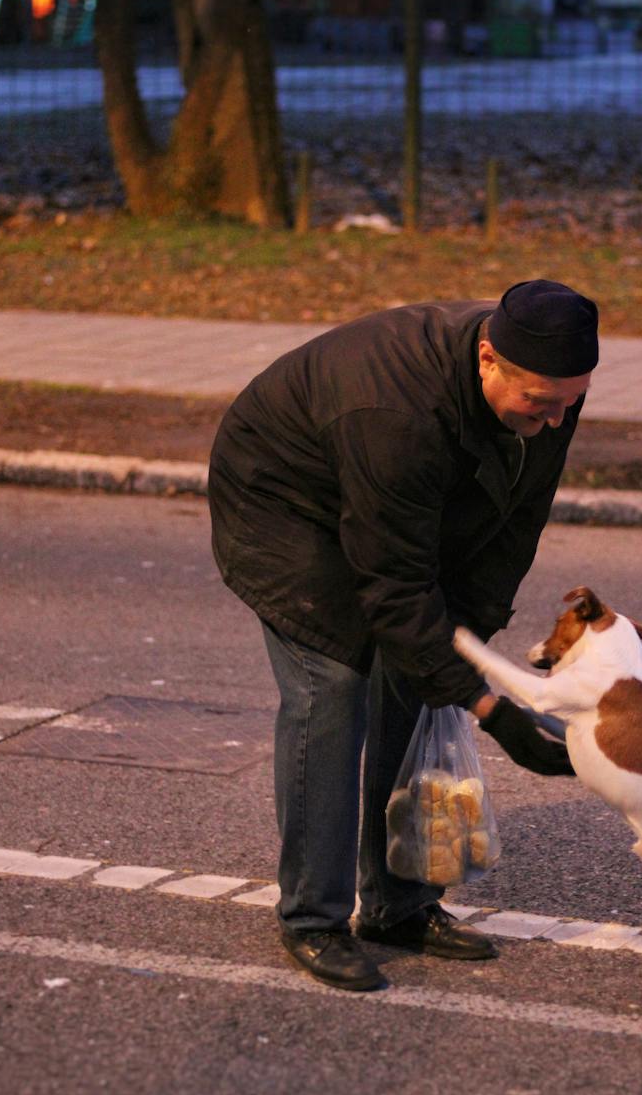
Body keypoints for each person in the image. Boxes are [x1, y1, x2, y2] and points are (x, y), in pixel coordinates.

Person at [208, 279, 599, 990]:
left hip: (397, 507)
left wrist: (470, 648)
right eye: (540, 403)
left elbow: (516, 523)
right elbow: (394, 588)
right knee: (335, 686)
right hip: (284, 504)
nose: (553, 421)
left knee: (417, 689)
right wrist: (492, 711)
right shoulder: (395, 411)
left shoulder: (551, 385)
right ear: (488, 359)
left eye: (569, 403)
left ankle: (398, 904)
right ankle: (312, 918)